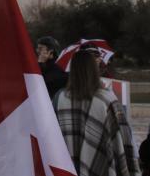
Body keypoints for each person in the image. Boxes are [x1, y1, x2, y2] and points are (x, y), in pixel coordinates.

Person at [54, 46, 139, 176]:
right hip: (102, 165)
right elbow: (123, 135)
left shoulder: (60, 98)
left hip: (67, 166)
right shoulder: (106, 98)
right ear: (94, 69)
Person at [36, 36, 68, 100]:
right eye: (37, 48)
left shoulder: (60, 67)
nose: (37, 51)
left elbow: (42, 83)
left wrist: (40, 64)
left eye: (40, 48)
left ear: (51, 51)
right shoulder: (42, 64)